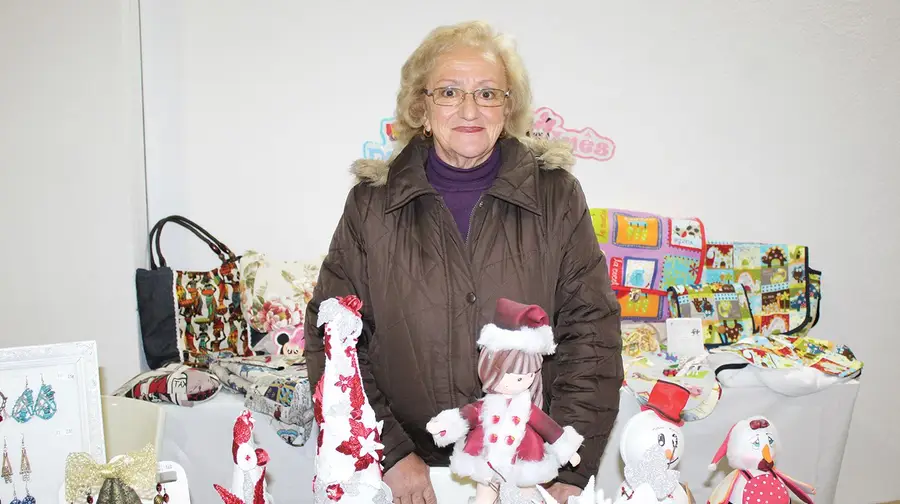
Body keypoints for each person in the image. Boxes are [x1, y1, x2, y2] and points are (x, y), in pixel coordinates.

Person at [305, 20, 623, 503]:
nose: (470, 109)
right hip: (412, 475)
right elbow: (335, 339)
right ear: (422, 108)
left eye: (488, 93)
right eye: (450, 91)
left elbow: (592, 334)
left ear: (508, 107)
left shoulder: (556, 196)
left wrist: (566, 470)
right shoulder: (371, 205)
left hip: (526, 474)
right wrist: (390, 455)